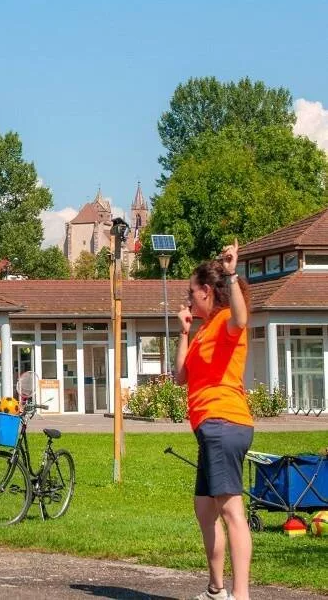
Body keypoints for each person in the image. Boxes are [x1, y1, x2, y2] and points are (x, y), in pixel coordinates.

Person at [175, 240, 253, 600]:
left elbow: (241, 317)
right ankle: (215, 589)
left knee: (231, 510)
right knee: (205, 508)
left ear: (207, 291)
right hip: (209, 428)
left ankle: (241, 596)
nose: (188, 298)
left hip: (224, 422)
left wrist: (233, 272)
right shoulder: (204, 329)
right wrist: (184, 332)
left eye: (191, 292)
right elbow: (181, 377)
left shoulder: (225, 322)